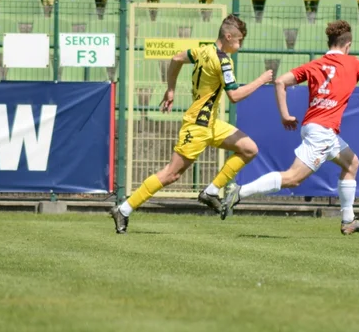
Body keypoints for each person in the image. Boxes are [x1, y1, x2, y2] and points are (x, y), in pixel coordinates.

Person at [110, 14, 273, 234]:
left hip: (211, 122)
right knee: (171, 174)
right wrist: (261, 81)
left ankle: (212, 191)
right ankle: (125, 208)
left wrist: (170, 89)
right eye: (239, 40)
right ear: (228, 36)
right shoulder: (223, 60)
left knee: (249, 148)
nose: (240, 44)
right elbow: (234, 95)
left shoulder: (203, 49)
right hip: (198, 125)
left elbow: (177, 58)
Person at [221, 20, 359, 235]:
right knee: (293, 178)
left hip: (317, 128)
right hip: (322, 132)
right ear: (348, 45)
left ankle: (348, 220)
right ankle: (239, 191)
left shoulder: (314, 65)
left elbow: (280, 82)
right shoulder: (353, 63)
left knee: (352, 163)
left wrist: (285, 115)